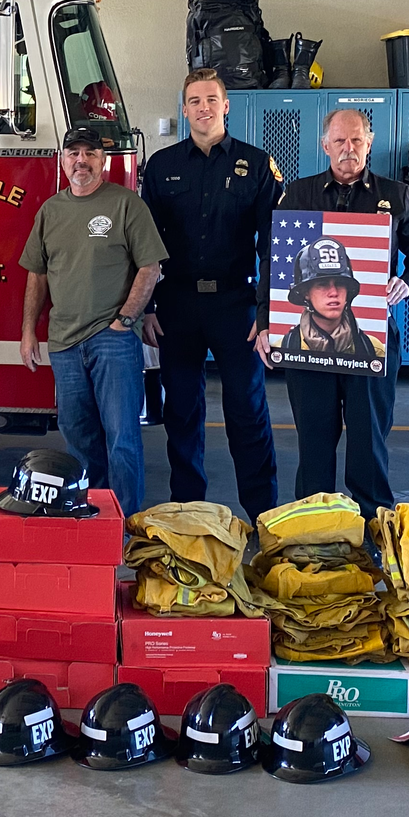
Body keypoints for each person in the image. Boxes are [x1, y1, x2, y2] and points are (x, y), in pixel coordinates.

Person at [257, 108, 409, 522]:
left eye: (356, 140)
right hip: (307, 349)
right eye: (339, 141)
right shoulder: (298, 195)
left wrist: (408, 281)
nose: (348, 149)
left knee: (368, 444)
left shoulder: (394, 195)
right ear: (325, 146)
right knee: (314, 445)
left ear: (369, 144)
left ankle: (375, 531)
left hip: (369, 343)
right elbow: (275, 264)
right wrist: (265, 323)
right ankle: (313, 530)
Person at [140, 68, 285, 519]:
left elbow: (272, 244)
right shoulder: (162, 167)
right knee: (182, 410)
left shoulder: (258, 165)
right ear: (184, 110)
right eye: (194, 101)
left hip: (236, 305)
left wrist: (268, 312)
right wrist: (145, 307)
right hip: (177, 304)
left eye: (211, 99)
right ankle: (187, 512)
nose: (203, 108)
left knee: (248, 410)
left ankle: (263, 514)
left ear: (226, 105)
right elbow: (145, 245)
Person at [19, 126, 167, 517]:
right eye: (73, 154)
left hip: (112, 340)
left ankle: (127, 527)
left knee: (122, 439)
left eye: (89, 154)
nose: (80, 161)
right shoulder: (50, 210)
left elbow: (149, 267)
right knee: (80, 439)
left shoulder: (126, 204)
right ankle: (95, 518)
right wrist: (28, 332)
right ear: (63, 160)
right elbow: (37, 274)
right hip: (64, 343)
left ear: (103, 161)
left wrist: (125, 320)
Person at [279, 240, 386, 359]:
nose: (334, 293)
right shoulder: (283, 348)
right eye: (322, 284)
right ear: (306, 293)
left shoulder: (374, 350)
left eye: (340, 283)